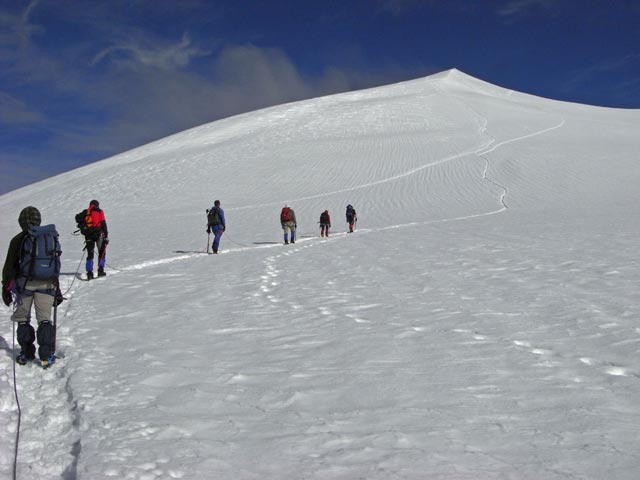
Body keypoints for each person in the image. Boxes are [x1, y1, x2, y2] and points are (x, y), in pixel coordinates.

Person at [2, 206, 62, 367]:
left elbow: (9, 267)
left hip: (24, 285)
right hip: (48, 283)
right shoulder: (49, 236)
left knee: (23, 319)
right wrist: (58, 290)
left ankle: (27, 353)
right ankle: (46, 355)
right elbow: (55, 265)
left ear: (21, 222)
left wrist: (5, 289)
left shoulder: (18, 239)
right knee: (44, 320)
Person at [81, 200, 109, 279]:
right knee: (102, 252)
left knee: (90, 254)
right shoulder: (100, 212)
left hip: (88, 236)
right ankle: (100, 270)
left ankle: (89, 273)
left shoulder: (86, 212)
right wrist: (106, 235)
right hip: (99, 235)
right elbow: (103, 223)